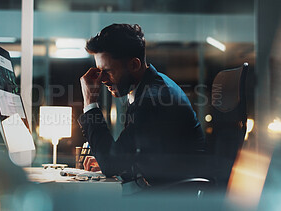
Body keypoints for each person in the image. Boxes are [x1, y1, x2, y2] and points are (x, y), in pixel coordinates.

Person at [78, 23, 205, 187]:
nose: (102, 80)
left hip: (173, 199)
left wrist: (90, 103)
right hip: (164, 191)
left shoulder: (154, 99)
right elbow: (137, 154)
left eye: (108, 71)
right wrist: (109, 161)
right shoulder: (150, 88)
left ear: (134, 65)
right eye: (99, 71)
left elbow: (111, 164)